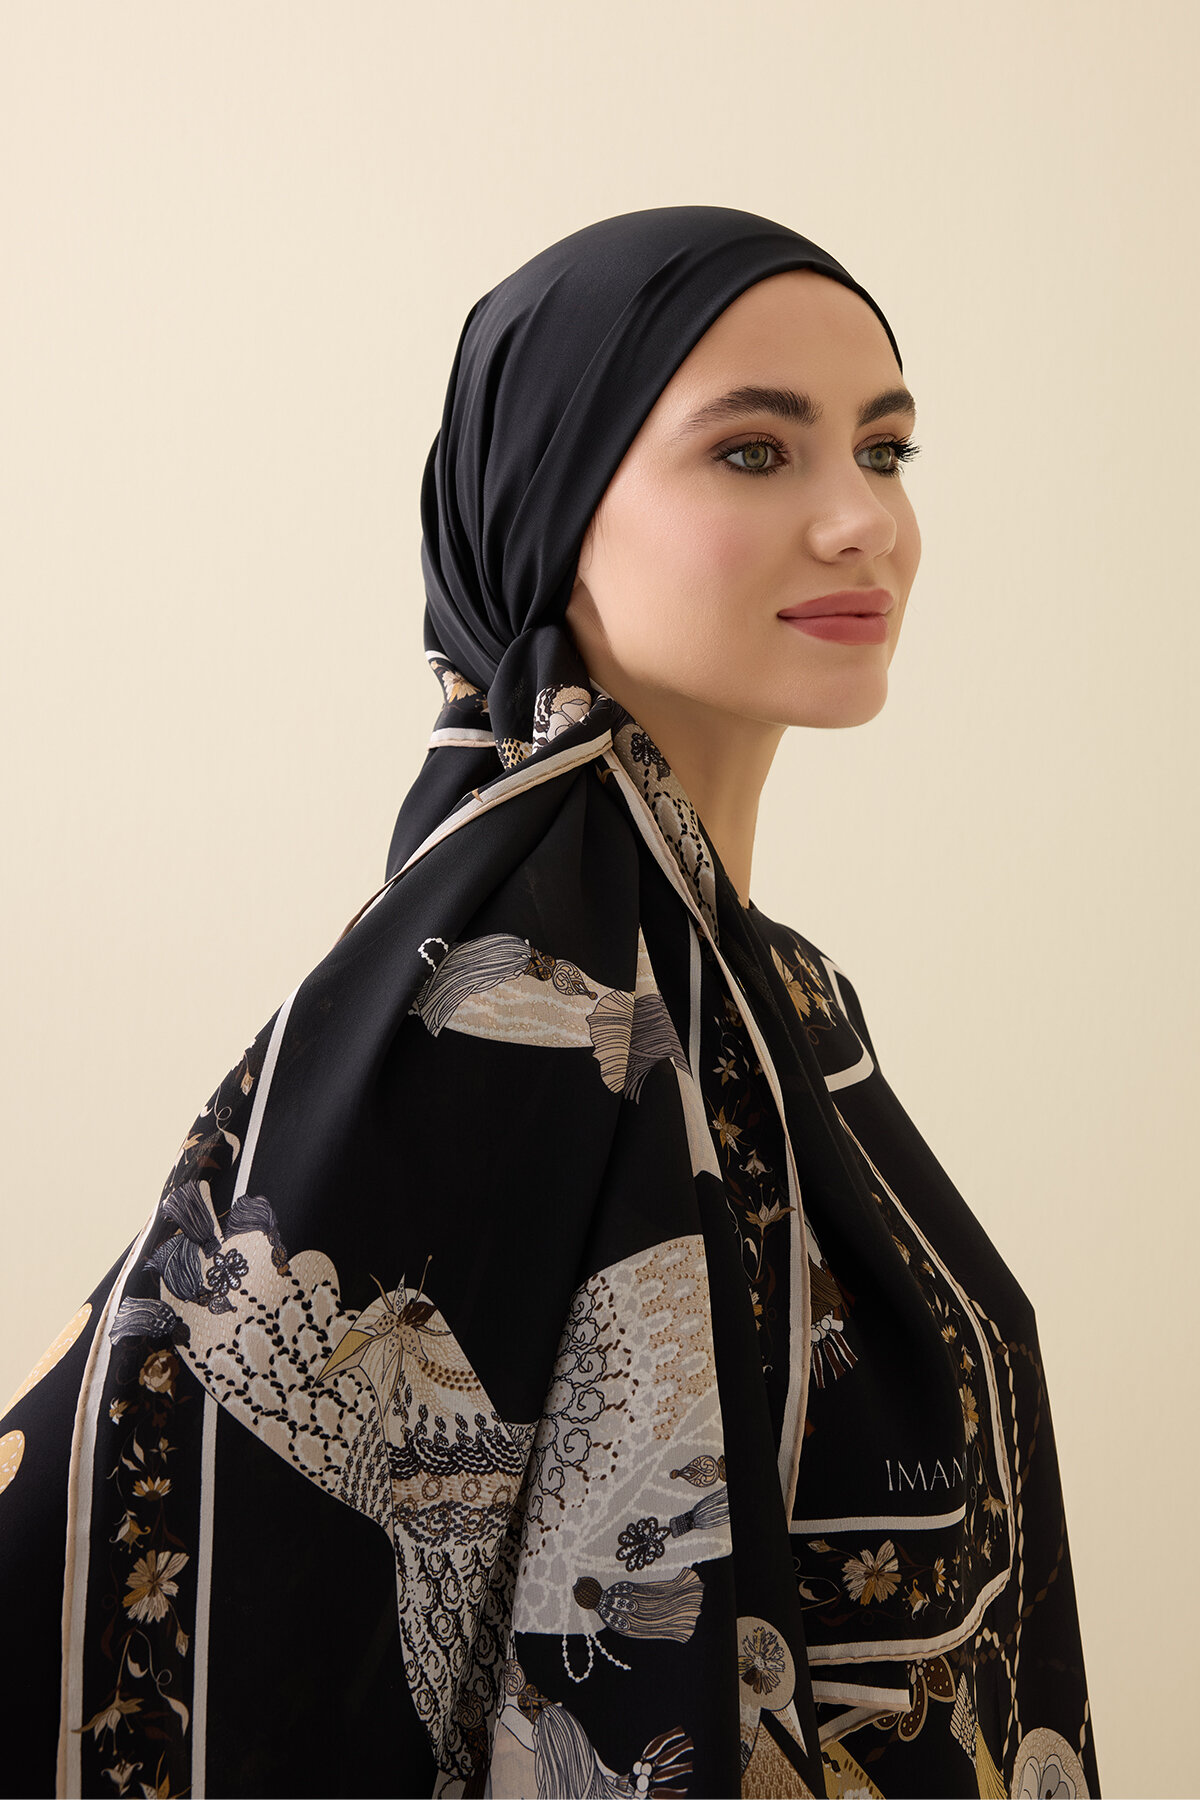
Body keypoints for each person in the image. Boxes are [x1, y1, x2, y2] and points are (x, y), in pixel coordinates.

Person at [0, 205, 1099, 1800]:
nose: (863, 519)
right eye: (754, 453)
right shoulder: (503, 1003)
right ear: (548, 506)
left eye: (885, 448)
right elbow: (148, 1513)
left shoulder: (775, 995)